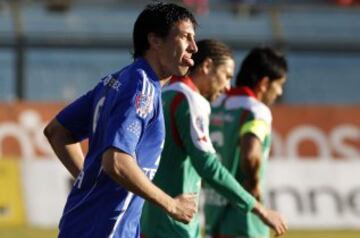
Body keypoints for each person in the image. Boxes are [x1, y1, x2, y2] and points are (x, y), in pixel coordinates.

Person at [43, 3, 199, 238]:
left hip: (85, 224)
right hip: (105, 229)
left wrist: (90, 182)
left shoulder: (116, 81)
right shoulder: (142, 87)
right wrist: (171, 205)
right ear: (155, 40)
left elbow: (57, 131)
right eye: (186, 37)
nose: (194, 47)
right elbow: (116, 161)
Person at [140, 40, 287, 238]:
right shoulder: (192, 100)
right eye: (226, 76)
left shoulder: (162, 93)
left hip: (148, 220)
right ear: (207, 66)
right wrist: (257, 207)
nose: (227, 87)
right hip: (176, 224)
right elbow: (209, 165)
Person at [204, 47, 288, 238]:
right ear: (265, 83)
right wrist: (254, 185)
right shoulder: (256, 111)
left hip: (212, 213)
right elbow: (250, 153)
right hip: (244, 220)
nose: (280, 91)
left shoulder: (213, 105)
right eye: (280, 84)